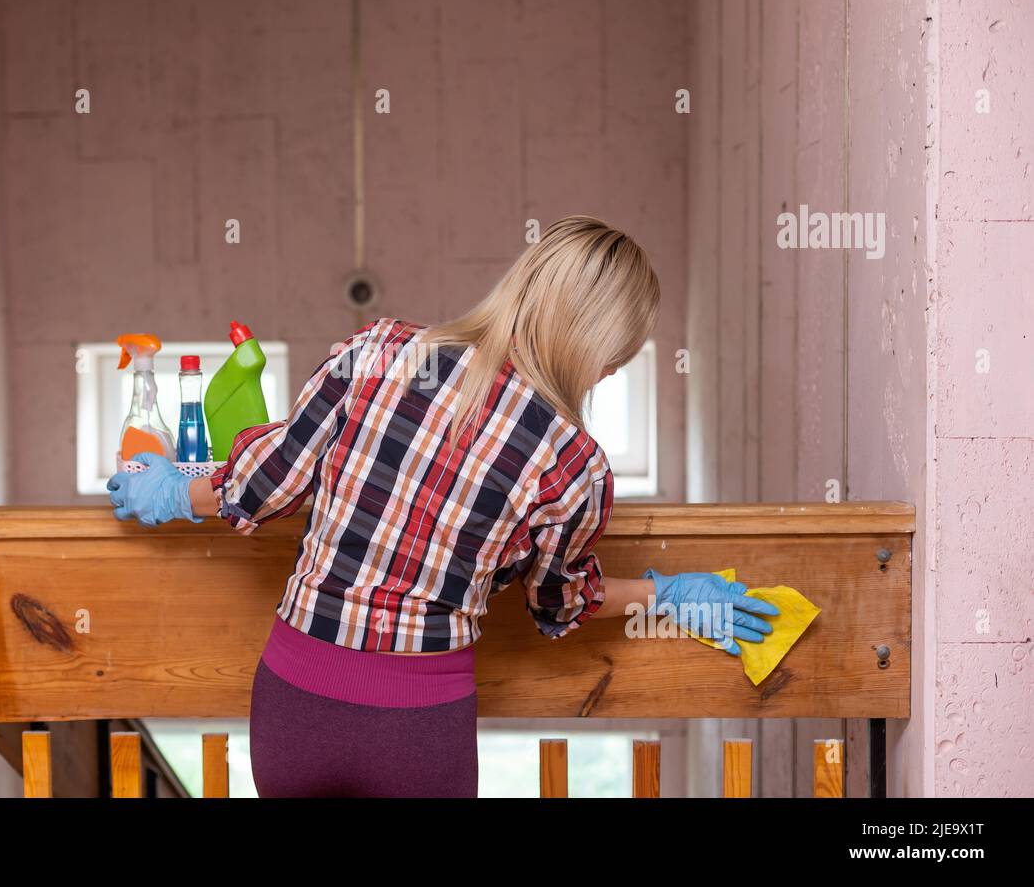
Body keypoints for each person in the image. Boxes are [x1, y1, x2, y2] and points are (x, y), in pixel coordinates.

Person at [107, 215, 778, 797]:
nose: (606, 376)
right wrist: (666, 595)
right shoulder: (575, 465)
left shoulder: (378, 350)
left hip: (293, 705)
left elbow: (265, 485)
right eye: (614, 362)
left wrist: (169, 492)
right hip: (418, 730)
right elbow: (556, 605)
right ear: (599, 351)